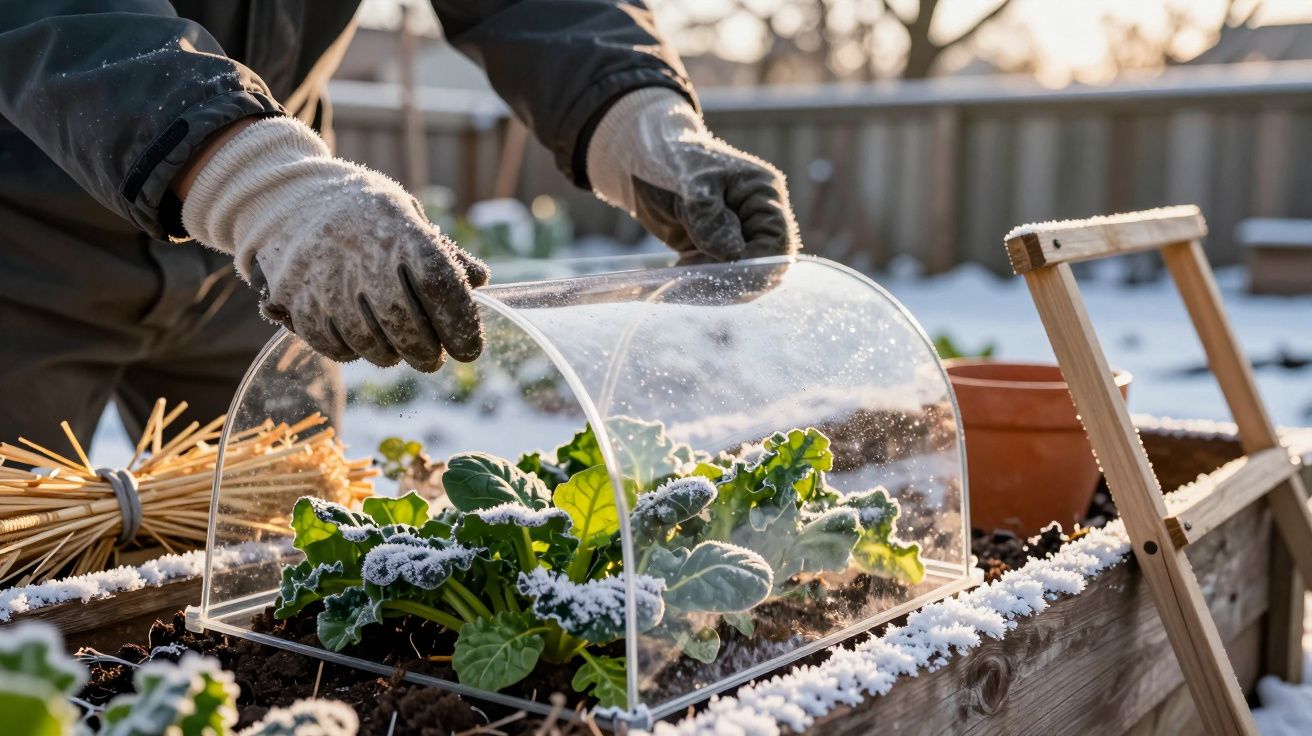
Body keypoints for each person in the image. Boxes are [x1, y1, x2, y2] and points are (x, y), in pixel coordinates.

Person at [0, 1, 800, 454]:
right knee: (23, 601)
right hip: (29, 249)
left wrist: (638, 123)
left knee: (272, 571)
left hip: (264, 264)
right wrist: (261, 183)